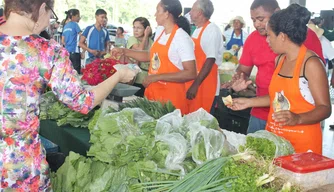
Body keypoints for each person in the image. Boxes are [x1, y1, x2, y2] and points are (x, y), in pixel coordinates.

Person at [0, 0, 135, 190]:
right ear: (41, 8)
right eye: (50, 14)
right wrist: (119, 74)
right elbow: (83, 101)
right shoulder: (47, 51)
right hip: (21, 171)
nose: (48, 21)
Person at [230, 4, 331, 154]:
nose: (267, 40)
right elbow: (278, 98)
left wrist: (298, 118)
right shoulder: (280, 60)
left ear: (282, 36)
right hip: (276, 138)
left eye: (270, 36)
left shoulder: (311, 64)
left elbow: (325, 108)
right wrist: (249, 102)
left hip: (302, 141)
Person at [111, 0, 197, 114]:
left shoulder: (182, 38)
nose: (155, 14)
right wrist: (124, 51)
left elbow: (191, 73)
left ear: (167, 14)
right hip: (154, 95)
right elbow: (151, 56)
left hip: (171, 101)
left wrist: (156, 77)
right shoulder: (161, 33)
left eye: (158, 11)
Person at [186, 0, 224, 114]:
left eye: (192, 10)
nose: (190, 13)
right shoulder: (197, 30)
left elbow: (210, 59)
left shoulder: (211, 30)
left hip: (205, 86)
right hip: (196, 84)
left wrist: (195, 85)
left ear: (199, 12)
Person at [126, 17, 154, 97]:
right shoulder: (132, 39)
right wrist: (145, 36)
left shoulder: (152, 42)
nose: (135, 30)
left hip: (147, 78)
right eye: (134, 27)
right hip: (134, 78)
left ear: (146, 29)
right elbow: (139, 50)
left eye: (139, 28)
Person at [62, 9, 82, 74]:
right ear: (73, 17)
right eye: (78, 16)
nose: (79, 17)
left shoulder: (65, 26)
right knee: (76, 72)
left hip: (67, 52)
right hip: (75, 51)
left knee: (69, 72)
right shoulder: (75, 24)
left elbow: (63, 41)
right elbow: (81, 36)